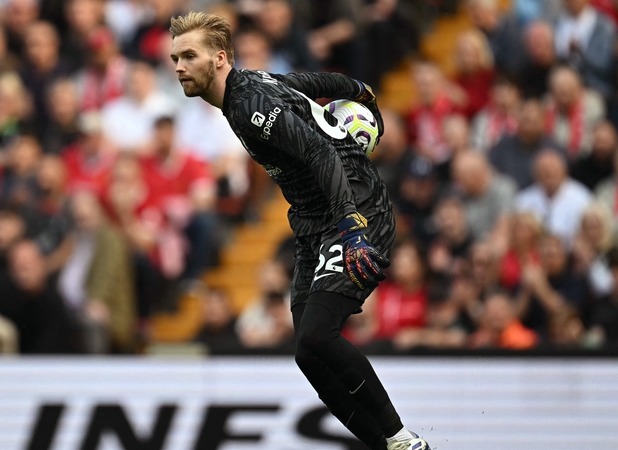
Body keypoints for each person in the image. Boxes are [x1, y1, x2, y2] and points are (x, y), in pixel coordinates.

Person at [169, 11, 429, 450]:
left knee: (316, 335)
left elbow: (320, 153)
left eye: (188, 56)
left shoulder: (250, 107)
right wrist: (361, 91)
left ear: (219, 58)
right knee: (307, 352)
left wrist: (350, 225)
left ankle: (402, 440)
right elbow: (311, 82)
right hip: (314, 220)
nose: (178, 66)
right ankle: (385, 446)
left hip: (353, 209)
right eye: (175, 57)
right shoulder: (255, 83)